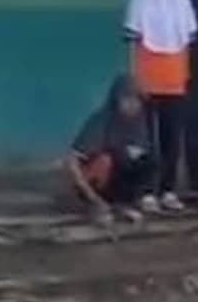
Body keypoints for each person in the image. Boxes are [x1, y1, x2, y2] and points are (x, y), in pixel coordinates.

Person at [124, 0, 198, 212]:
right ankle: (146, 190)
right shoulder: (139, 1)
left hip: (174, 81)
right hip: (146, 81)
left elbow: (187, 41)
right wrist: (134, 80)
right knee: (145, 139)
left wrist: (185, 77)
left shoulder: (182, 3)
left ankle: (168, 189)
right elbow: (133, 43)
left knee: (171, 138)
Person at [66, 75, 154, 224]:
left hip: (118, 181)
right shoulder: (101, 120)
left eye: (137, 100)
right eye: (127, 99)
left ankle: (123, 204)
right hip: (93, 183)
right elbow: (71, 161)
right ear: (116, 100)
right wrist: (91, 196)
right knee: (107, 160)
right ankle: (95, 206)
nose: (133, 105)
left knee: (148, 160)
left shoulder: (139, 122)